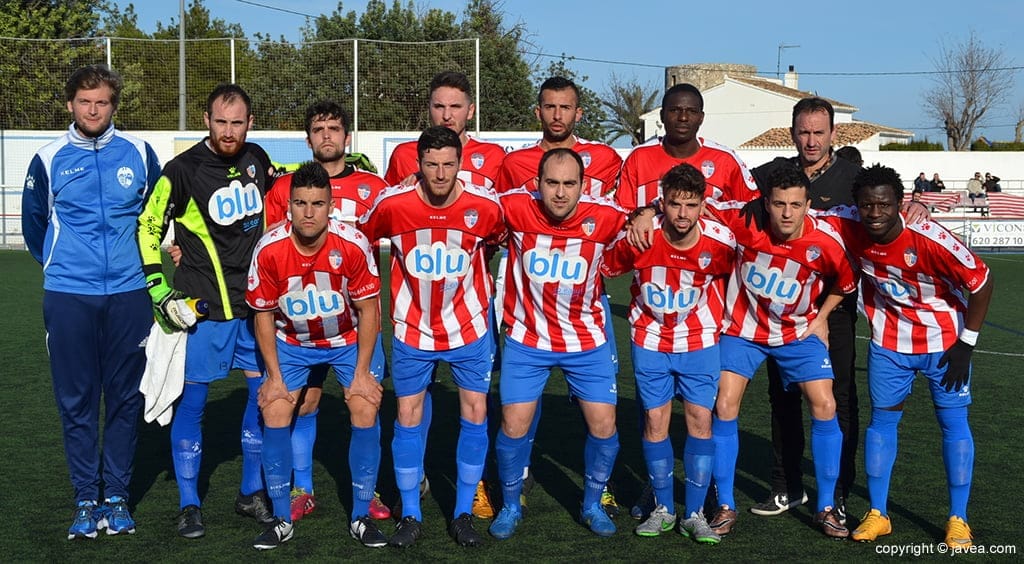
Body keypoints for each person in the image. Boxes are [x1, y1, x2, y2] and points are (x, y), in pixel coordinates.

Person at [22, 64, 161, 540]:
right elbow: (34, 224)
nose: (93, 109)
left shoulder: (141, 153)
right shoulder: (48, 157)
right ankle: (86, 497)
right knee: (77, 401)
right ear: (70, 106)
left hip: (129, 293)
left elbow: (156, 216)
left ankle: (117, 496)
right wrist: (64, 269)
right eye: (85, 102)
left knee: (125, 399)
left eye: (102, 102)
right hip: (70, 296)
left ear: (113, 106)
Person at [822, 165, 992, 550]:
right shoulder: (848, 223)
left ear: (900, 204)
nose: (875, 213)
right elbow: (805, 214)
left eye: (884, 204)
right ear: (857, 206)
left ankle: (958, 518)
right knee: (882, 424)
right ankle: (879, 514)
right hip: (889, 343)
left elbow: (982, 282)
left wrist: (967, 343)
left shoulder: (931, 239)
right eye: (867, 205)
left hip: (945, 344)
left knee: (953, 424)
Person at [137, 83, 276, 539]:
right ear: (206, 119)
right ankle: (189, 503)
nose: (229, 131)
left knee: (261, 400)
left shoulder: (258, 159)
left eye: (238, 122)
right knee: (193, 404)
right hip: (204, 310)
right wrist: (159, 287)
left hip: (255, 310)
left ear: (250, 123)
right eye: (221, 121)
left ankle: (250, 493)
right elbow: (148, 226)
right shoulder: (181, 170)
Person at [359, 126, 505, 548]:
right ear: (417, 164)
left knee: (475, 414)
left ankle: (462, 514)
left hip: (470, 326)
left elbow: (497, 240)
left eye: (448, 164)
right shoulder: (393, 203)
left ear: (460, 162)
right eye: (431, 165)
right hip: (412, 327)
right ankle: (411, 513)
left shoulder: (484, 205)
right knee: (407, 417)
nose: (440, 174)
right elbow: (363, 240)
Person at [494, 76, 624, 517]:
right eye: (552, 183)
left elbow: (645, 221)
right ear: (538, 183)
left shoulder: (606, 215)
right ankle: (511, 504)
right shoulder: (512, 204)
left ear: (583, 185)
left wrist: (645, 216)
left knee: (604, 424)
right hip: (527, 336)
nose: (560, 192)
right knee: (514, 422)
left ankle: (592, 503)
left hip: (586, 338)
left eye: (569, 184)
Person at [708, 166, 857, 539]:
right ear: (766, 203)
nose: (787, 213)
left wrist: (822, 317)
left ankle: (825, 507)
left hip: (797, 331)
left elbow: (846, 283)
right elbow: (695, 206)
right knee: (725, 404)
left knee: (826, 405)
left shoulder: (825, 241)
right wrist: (644, 213)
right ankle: (725, 504)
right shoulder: (743, 221)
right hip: (743, 331)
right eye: (779, 204)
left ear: (808, 205)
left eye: (795, 204)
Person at [247, 161, 387, 550]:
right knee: (275, 407)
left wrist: (361, 372)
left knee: (364, 404)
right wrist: (274, 376)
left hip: (345, 340)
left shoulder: (352, 243)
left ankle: (360, 515)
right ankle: (280, 517)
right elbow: (262, 314)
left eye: (318, 204)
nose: (309, 213)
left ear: (330, 205)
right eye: (300, 203)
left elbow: (370, 311)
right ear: (288, 205)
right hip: (292, 342)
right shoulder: (270, 249)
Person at [600, 164, 735, 544]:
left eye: (691, 205)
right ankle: (663, 507)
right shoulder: (642, 237)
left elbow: (738, 271)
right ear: (662, 202)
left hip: (699, 341)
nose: (682, 214)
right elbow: (609, 267)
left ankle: (693, 513)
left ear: (702, 205)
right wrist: (630, 230)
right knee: (655, 422)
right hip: (650, 339)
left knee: (699, 423)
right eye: (675, 204)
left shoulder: (721, 242)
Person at [747, 97, 864, 523]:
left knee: (840, 399)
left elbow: (890, 208)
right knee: (783, 397)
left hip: (834, 306)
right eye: (803, 132)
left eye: (819, 132)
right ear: (792, 131)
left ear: (834, 133)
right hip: (784, 304)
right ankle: (786, 486)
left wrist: (918, 205)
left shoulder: (854, 178)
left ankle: (838, 493)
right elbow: (727, 195)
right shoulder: (775, 174)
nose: (810, 140)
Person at [614, 83, 758, 211]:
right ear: (662, 115)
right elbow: (622, 213)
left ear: (701, 118)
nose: (683, 117)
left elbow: (750, 210)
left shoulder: (725, 160)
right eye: (675, 110)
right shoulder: (639, 157)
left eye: (692, 111)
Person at [496, 76, 621, 196]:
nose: (557, 116)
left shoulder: (605, 158)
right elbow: (502, 212)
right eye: (550, 107)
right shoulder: (515, 163)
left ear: (578, 114)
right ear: (538, 113)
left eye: (565, 108)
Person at [384, 71, 506, 189]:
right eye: (439, 107)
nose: (447, 116)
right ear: (429, 109)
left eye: (455, 107)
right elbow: (387, 206)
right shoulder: (403, 155)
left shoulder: (494, 155)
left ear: (470, 111)